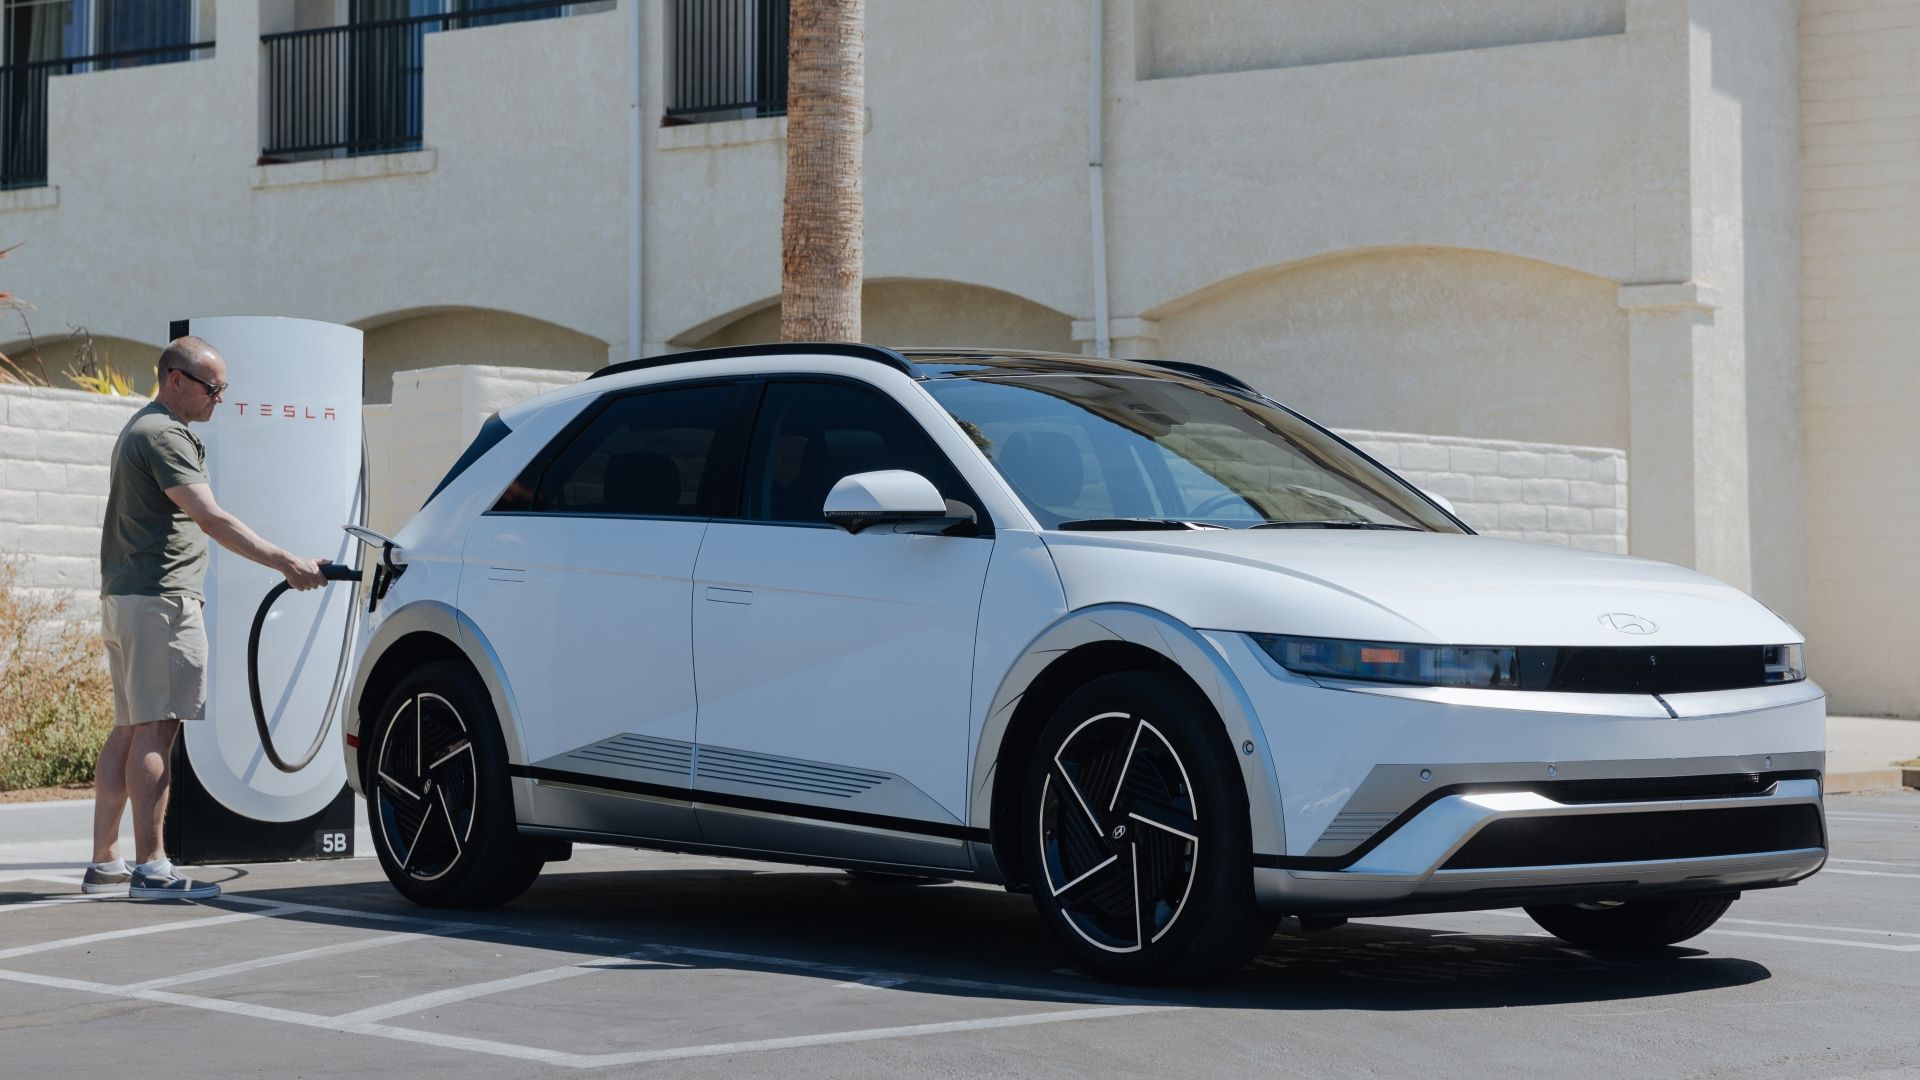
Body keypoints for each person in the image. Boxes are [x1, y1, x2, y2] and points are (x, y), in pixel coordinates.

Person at [84, 337, 328, 900]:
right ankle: (152, 870)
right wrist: (285, 561)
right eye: (212, 387)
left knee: (129, 725)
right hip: (162, 602)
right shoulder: (166, 433)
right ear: (175, 380)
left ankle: (105, 862)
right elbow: (210, 517)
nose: (220, 398)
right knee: (156, 727)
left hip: (129, 599)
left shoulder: (140, 428)